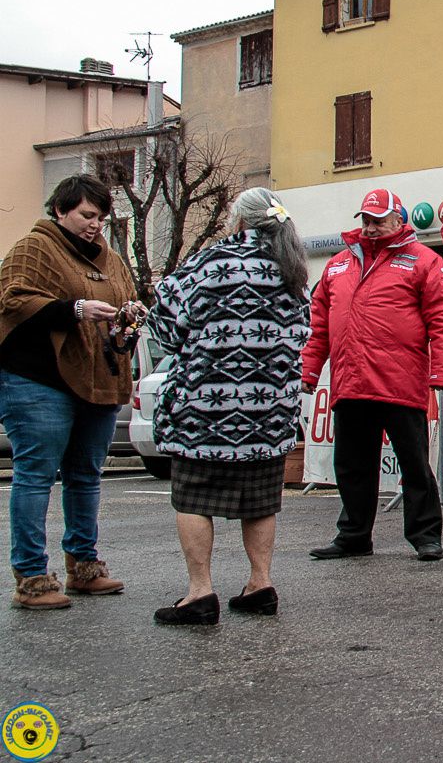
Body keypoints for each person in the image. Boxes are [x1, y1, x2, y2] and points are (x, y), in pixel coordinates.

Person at [147, 188, 311, 625]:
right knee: (260, 500)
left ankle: (200, 593)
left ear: (239, 221)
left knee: (193, 498)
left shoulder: (210, 263)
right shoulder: (293, 272)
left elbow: (165, 327)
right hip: (268, 410)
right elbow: (303, 333)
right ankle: (260, 584)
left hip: (207, 410)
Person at [302, 189, 443, 562]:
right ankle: (354, 535)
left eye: (378, 220)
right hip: (350, 382)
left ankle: (425, 535)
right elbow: (319, 324)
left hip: (400, 382)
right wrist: (310, 369)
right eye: (366, 220)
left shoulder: (424, 260)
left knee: (415, 464)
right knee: (351, 465)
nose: (371, 227)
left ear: (397, 219)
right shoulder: (338, 265)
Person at [1, 174, 137, 610]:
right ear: (60, 210)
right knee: (36, 474)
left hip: (97, 377)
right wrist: (74, 309)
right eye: (86, 215)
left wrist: (129, 315)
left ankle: (84, 566)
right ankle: (32, 577)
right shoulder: (34, 248)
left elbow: (125, 298)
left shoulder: (111, 259)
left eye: (101, 218)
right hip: (37, 379)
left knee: (86, 476)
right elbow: (12, 299)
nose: (95, 225)